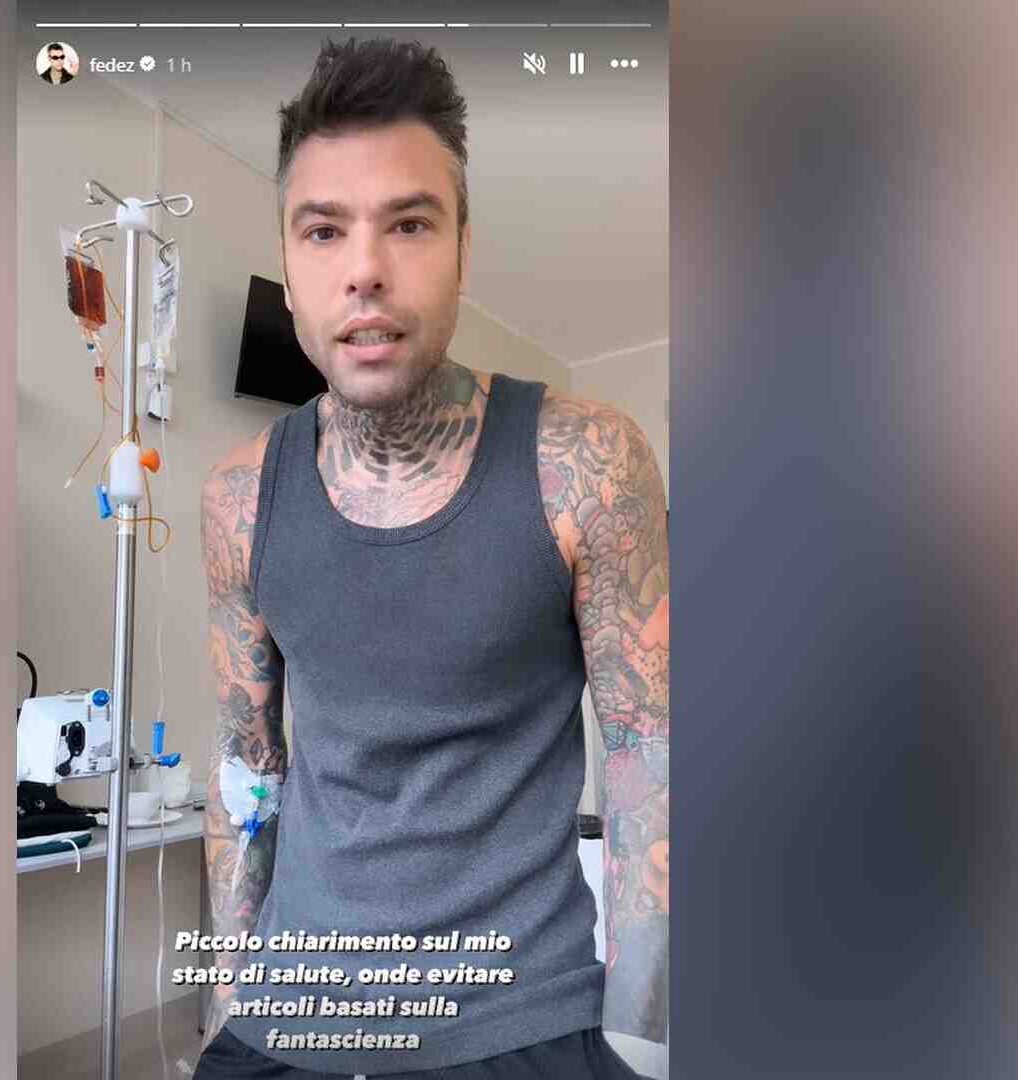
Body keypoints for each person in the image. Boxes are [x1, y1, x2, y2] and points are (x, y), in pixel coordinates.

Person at [195, 38, 667, 1080]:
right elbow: (245, 768)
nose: (364, 268)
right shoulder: (238, 500)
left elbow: (650, 754)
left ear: (461, 248)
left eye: (408, 223)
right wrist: (232, 1002)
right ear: (290, 263)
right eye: (324, 230)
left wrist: (637, 1034)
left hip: (522, 1021)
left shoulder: (586, 463)